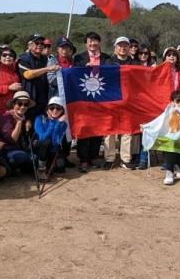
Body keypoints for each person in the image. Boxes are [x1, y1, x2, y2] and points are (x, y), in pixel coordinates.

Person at [72, 32, 109, 172]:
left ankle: (93, 156)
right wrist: (83, 69)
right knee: (85, 128)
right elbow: (74, 74)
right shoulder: (79, 58)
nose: (93, 43)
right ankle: (83, 159)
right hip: (84, 99)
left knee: (99, 128)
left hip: (101, 99)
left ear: (99, 42)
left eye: (95, 41)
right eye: (90, 41)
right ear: (86, 43)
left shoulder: (107, 58)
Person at [105, 36, 139, 169]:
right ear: (115, 47)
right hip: (111, 100)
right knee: (110, 131)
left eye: (125, 45)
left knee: (127, 131)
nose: (123, 48)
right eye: (120, 45)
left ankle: (125, 159)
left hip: (129, 101)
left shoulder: (135, 64)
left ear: (129, 48)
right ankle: (109, 158)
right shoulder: (108, 62)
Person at [0, 90, 35, 174]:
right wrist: (19, 122)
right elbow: (13, 139)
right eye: (19, 104)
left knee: (36, 157)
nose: (22, 107)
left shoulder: (25, 118)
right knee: (22, 156)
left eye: (25, 104)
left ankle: (19, 169)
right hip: (5, 150)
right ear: (13, 104)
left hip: (19, 149)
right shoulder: (5, 118)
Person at [19, 34, 59, 120]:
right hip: (29, 100)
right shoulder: (24, 58)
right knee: (27, 126)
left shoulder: (44, 58)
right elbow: (28, 75)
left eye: (42, 43)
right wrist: (48, 68)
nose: (40, 45)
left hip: (43, 99)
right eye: (37, 43)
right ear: (30, 45)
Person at [32, 96, 71, 180]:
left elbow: (55, 142)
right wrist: (53, 123)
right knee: (46, 141)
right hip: (40, 147)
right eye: (52, 107)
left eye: (58, 108)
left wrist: (57, 124)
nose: (55, 110)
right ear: (47, 108)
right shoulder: (39, 118)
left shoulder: (63, 124)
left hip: (52, 148)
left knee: (61, 168)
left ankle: (48, 167)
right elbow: (42, 138)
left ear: (62, 110)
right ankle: (41, 169)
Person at [161, 91, 180, 185]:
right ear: (173, 102)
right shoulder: (168, 113)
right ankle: (169, 171)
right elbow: (158, 124)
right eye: (178, 100)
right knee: (171, 142)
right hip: (172, 142)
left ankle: (177, 166)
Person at [0, 46, 22, 112]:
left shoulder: (15, 72)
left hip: (14, 107)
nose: (8, 57)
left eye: (10, 55)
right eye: (4, 55)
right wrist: (8, 88)